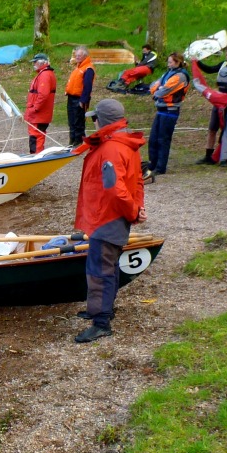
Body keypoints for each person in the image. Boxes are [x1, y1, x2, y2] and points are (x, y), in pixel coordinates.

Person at [73, 98, 147, 343]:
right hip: (110, 216)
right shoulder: (125, 143)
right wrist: (137, 209)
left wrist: (134, 211)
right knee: (109, 266)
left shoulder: (112, 148)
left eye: (95, 118)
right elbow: (136, 182)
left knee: (99, 270)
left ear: (102, 120)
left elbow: (115, 189)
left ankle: (101, 321)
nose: (93, 122)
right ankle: (102, 309)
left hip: (106, 217)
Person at [144, 52, 190, 180]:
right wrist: (156, 90)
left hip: (170, 111)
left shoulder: (181, 76)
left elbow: (164, 90)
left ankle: (160, 167)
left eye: (170, 62)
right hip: (161, 110)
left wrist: (158, 91)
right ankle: (152, 164)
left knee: (163, 139)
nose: (168, 64)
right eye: (168, 62)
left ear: (178, 62)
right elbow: (154, 85)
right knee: (153, 138)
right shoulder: (168, 73)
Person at [24, 52, 57, 154]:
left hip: (39, 114)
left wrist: (35, 108)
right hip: (40, 113)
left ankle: (36, 158)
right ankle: (36, 156)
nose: (33, 64)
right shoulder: (45, 74)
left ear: (41, 62)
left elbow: (43, 95)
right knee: (37, 136)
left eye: (35, 62)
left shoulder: (45, 75)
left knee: (36, 136)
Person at [64, 45, 95, 147]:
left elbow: (87, 86)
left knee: (78, 121)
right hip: (71, 97)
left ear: (85, 56)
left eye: (79, 55)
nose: (77, 57)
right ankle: (72, 140)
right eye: (76, 55)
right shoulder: (78, 67)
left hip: (79, 99)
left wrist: (83, 100)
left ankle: (78, 142)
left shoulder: (88, 68)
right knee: (71, 121)